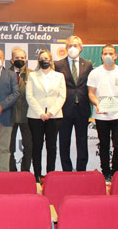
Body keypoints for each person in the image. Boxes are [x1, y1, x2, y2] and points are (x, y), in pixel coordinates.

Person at [87, 44, 118, 180]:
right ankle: (105, 172)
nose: (108, 56)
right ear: (101, 56)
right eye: (105, 53)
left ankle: (116, 171)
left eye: (111, 53)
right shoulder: (95, 73)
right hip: (101, 116)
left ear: (116, 56)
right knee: (104, 145)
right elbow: (91, 93)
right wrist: (97, 104)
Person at [26, 49, 66, 182]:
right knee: (37, 145)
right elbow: (29, 96)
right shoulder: (32, 76)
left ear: (51, 60)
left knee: (52, 146)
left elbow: (62, 96)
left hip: (54, 116)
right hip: (35, 116)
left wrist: (50, 112)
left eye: (47, 58)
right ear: (38, 61)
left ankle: (50, 174)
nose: (44, 61)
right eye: (42, 58)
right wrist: (41, 113)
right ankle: (37, 174)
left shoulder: (59, 76)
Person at [54, 35, 93, 172]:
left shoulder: (87, 64)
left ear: (81, 48)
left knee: (82, 141)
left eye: (75, 45)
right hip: (64, 109)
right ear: (66, 48)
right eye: (70, 45)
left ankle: (81, 169)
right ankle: (67, 170)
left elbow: (91, 86)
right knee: (64, 141)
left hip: (82, 108)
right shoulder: (58, 65)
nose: (72, 48)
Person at [8, 47, 33, 173]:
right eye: (17, 58)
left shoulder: (32, 74)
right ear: (12, 60)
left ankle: (25, 171)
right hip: (9, 115)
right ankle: (12, 170)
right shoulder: (5, 74)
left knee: (29, 146)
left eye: (22, 58)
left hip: (28, 115)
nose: (20, 60)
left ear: (26, 59)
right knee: (9, 147)